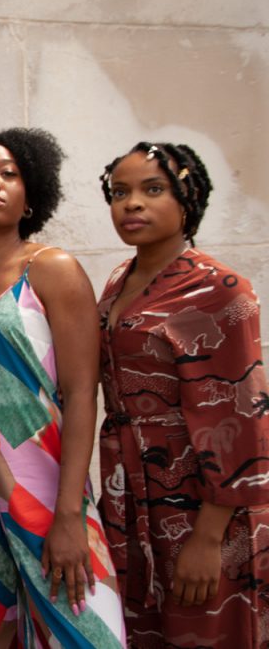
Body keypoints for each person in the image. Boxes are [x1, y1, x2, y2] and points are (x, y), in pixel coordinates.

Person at [0, 128, 125, 647]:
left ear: (31, 196)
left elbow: (82, 394)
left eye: (9, 173)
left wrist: (70, 516)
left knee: (86, 635)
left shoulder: (51, 270)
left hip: (46, 493)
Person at [96, 142, 269, 647]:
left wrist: (209, 538)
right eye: (120, 192)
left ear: (188, 197)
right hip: (129, 494)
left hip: (204, 507)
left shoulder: (220, 289)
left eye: (153, 190)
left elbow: (245, 416)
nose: (132, 204)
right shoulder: (119, 281)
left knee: (208, 630)